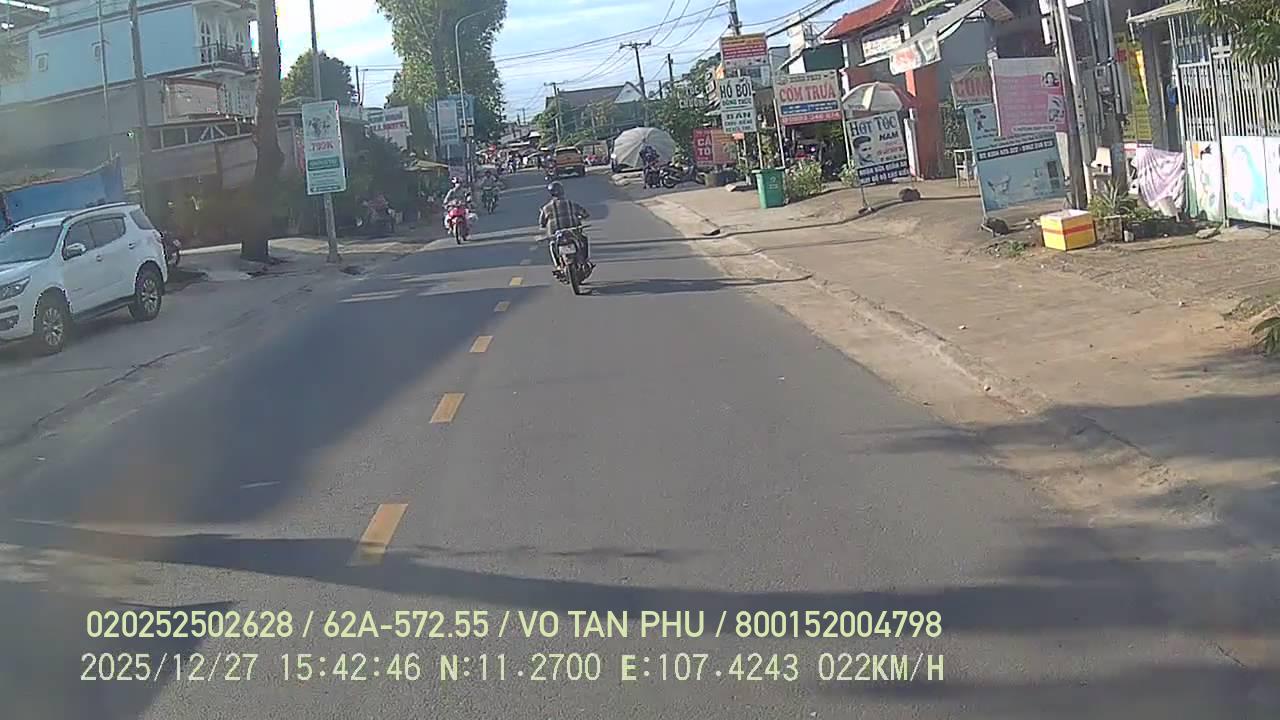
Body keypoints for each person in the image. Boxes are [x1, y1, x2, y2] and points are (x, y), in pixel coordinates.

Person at [538, 181, 592, 276]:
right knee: (583, 239)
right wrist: (580, 218)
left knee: (552, 245)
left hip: (556, 236)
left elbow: (542, 223)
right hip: (573, 232)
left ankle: (558, 265)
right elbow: (585, 214)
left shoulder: (546, 208)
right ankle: (585, 260)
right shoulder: (571, 204)